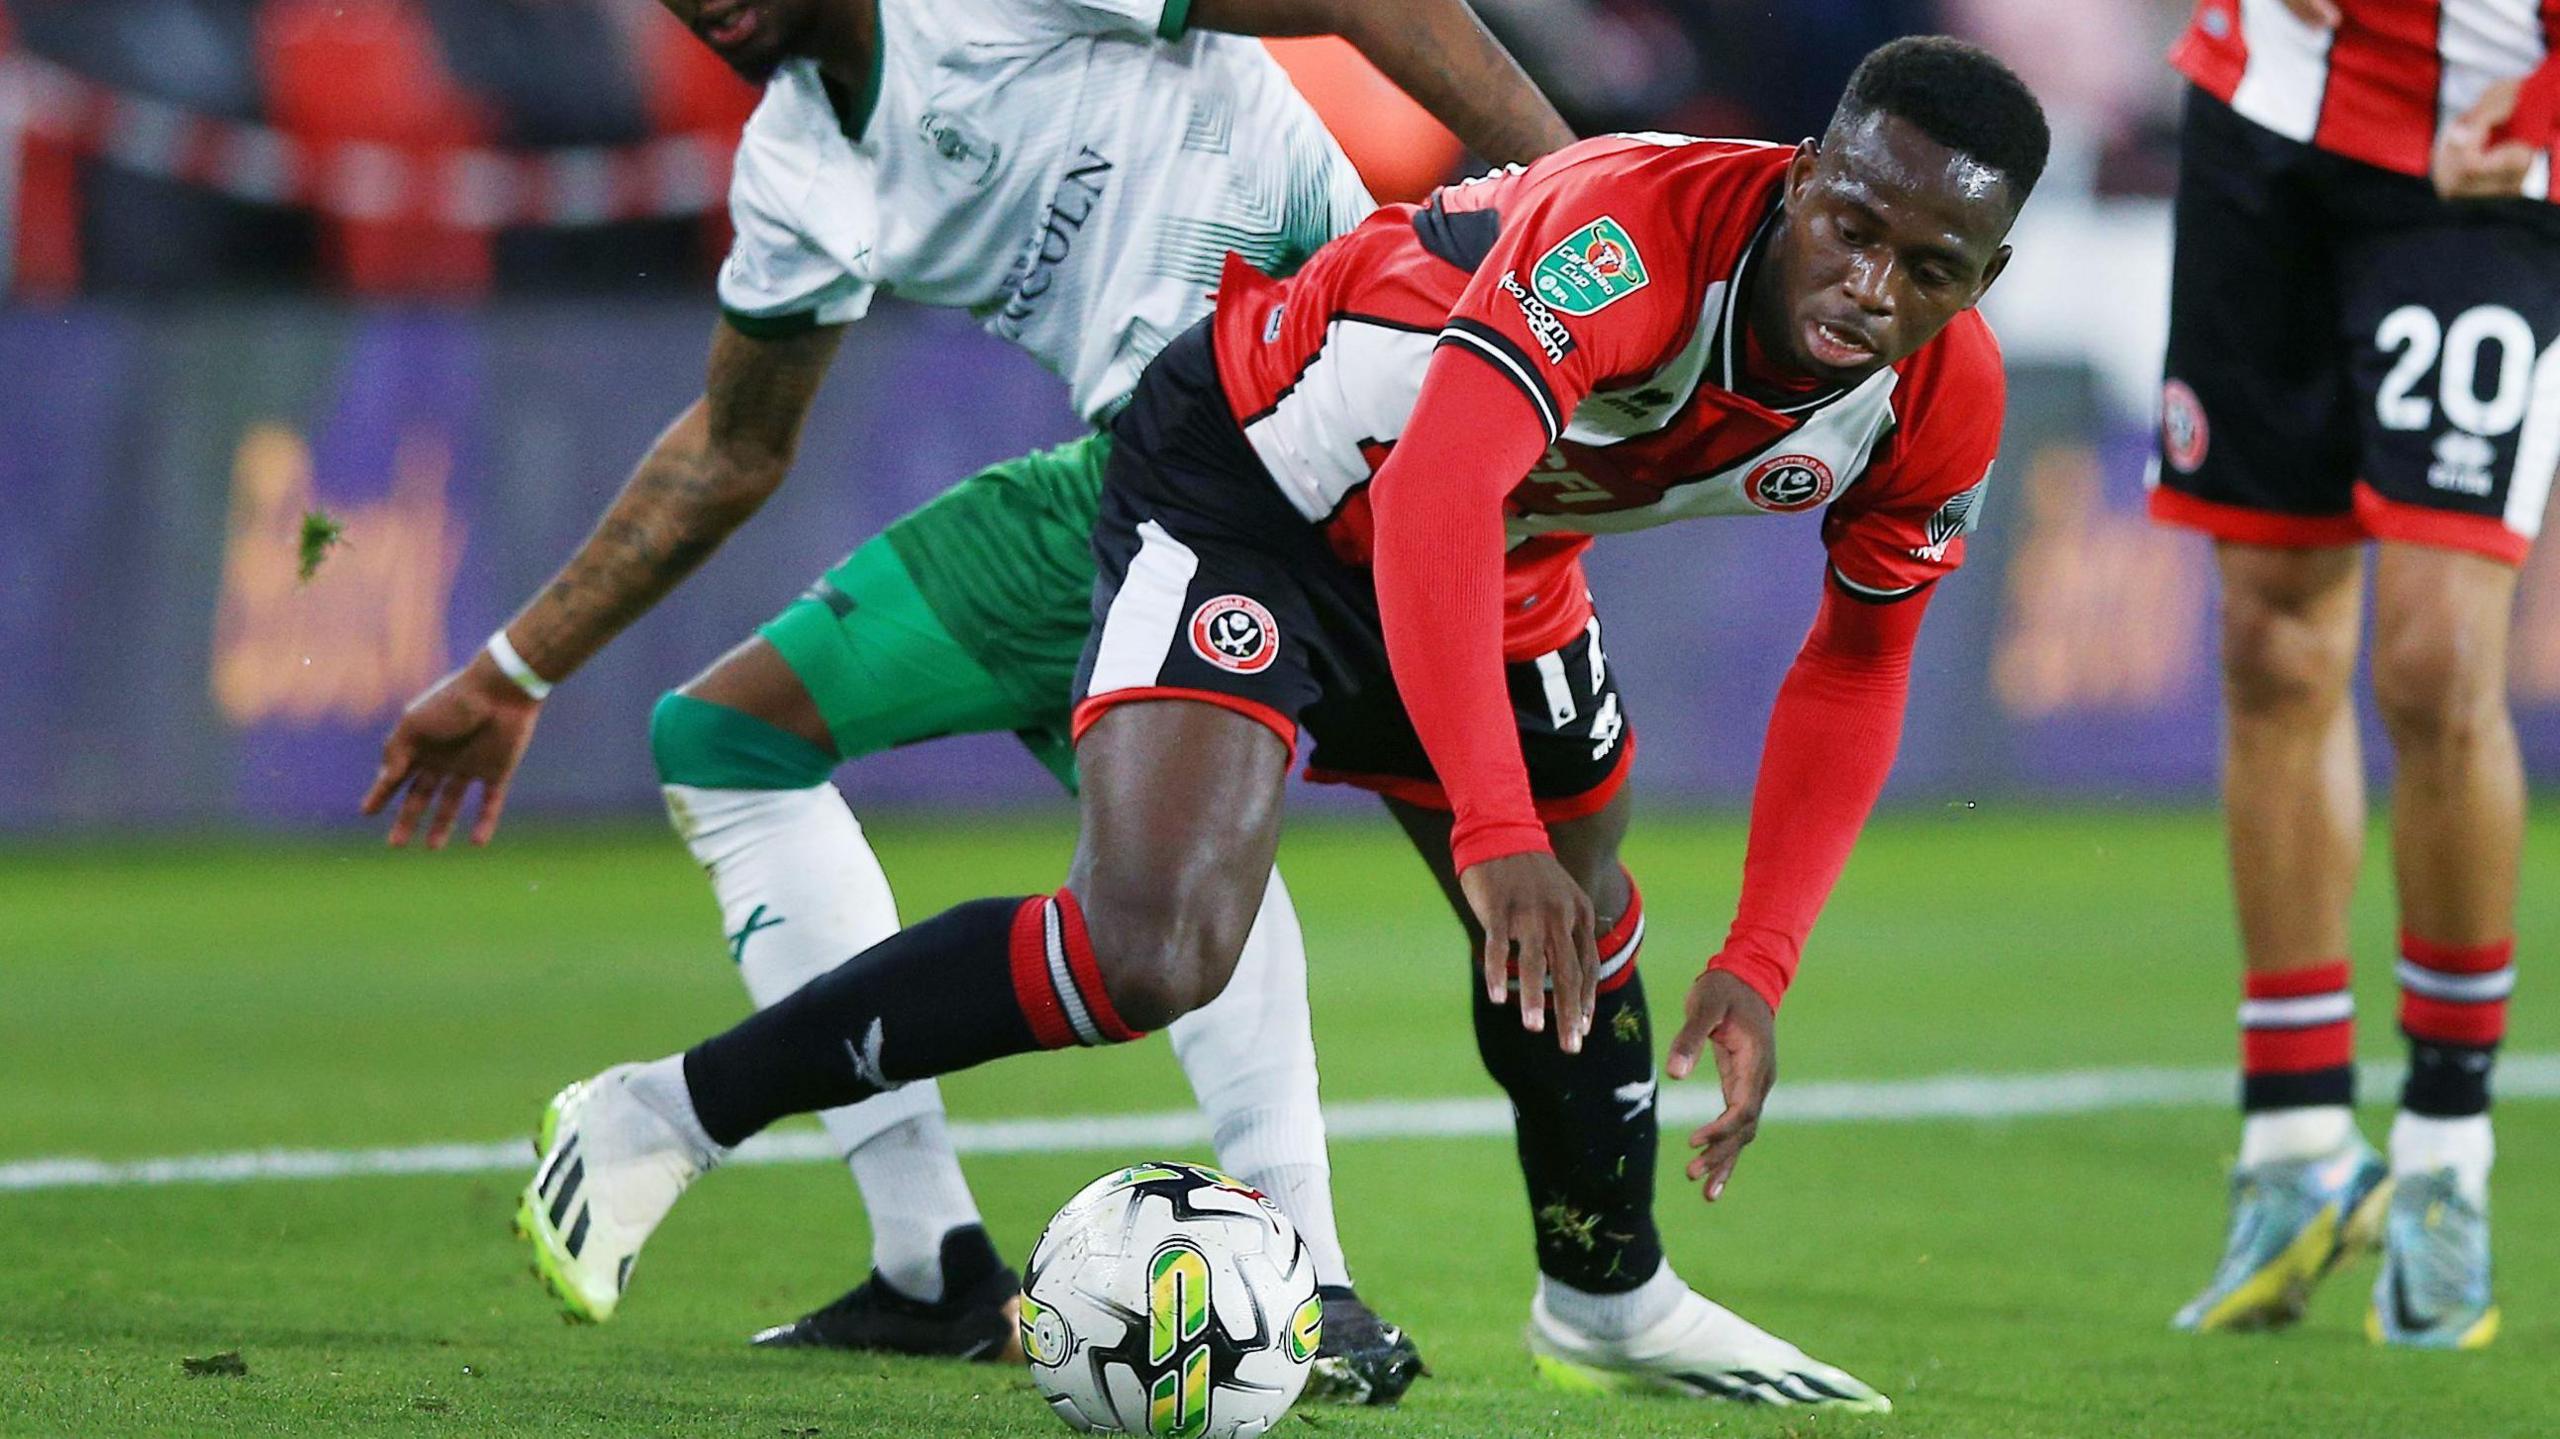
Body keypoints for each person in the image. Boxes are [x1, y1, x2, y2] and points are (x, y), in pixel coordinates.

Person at [515, 36, 2048, 1407]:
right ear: (1800, 182)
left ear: (1986, 274)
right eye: (1856, 227)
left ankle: (1611, 1298)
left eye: (1936, 266)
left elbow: (1856, 663)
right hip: (1264, 478)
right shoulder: (1634, 243)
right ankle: (667, 1112)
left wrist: (1762, 955)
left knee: (1578, 913)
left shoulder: (1939, 396)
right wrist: (1490, 821)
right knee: (1153, 947)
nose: (1876, 287)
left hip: (1502, 552)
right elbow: (1438, 482)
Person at [362, 0, 1575, 1401]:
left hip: (1302, 416)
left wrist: (1594, 224)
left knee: (1207, 859)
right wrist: (515, 670)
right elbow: (736, 448)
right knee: (784, 749)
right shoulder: (799, 165)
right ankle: (956, 1267)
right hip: (1155, 479)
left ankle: (1281, 1267)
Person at [2151, 0, 2558, 1350]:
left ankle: (2447, 1160)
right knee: (2269, 639)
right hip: (2262, 113)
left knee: (2438, 664)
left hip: (2488, 150)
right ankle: (2297, 1145)